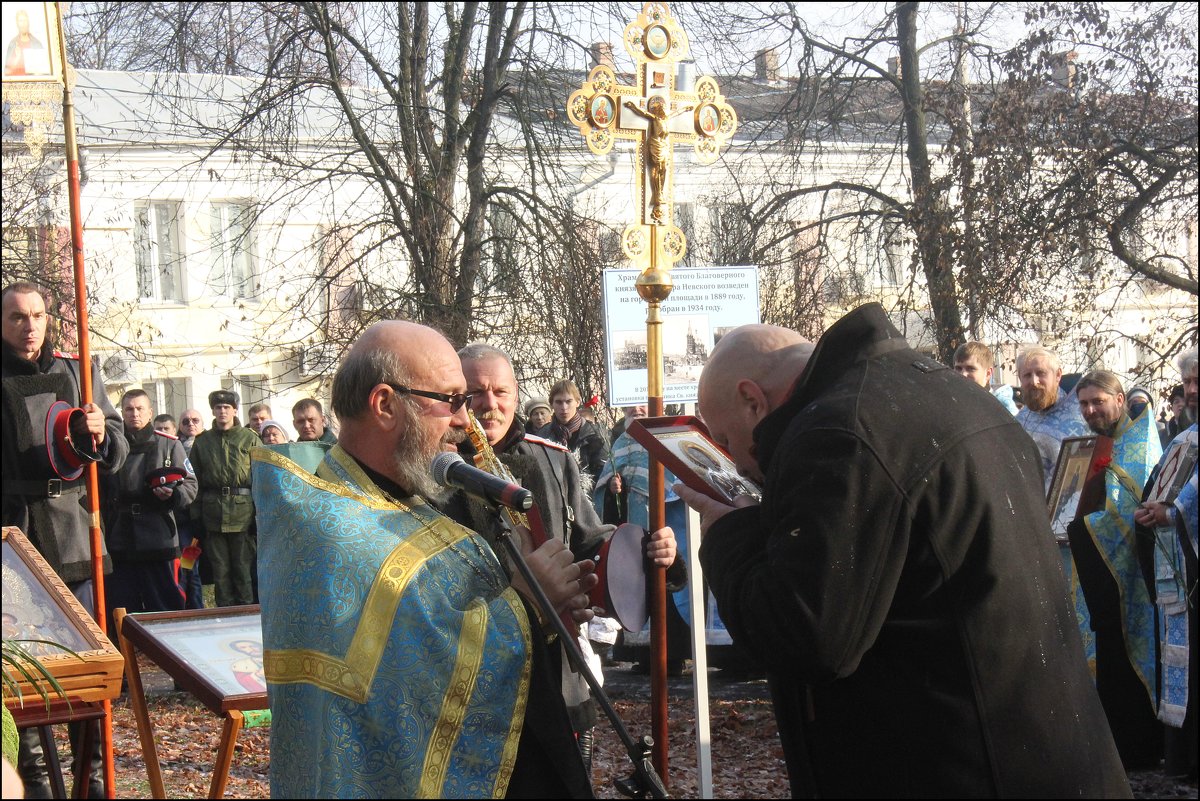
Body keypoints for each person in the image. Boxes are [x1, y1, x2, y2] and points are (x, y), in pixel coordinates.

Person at [674, 311, 1130, 797]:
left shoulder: (838, 432)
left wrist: (730, 534)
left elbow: (805, 636)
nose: (736, 460)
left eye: (724, 440)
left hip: (956, 766)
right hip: (1042, 755)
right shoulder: (947, 392)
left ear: (751, 400)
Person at [253, 320, 598, 798]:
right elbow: (409, 679)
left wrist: (543, 606)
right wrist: (525, 603)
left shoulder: (398, 502)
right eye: (452, 400)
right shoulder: (332, 530)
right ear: (385, 404)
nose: (465, 421)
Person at [456, 343, 681, 776]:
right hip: (472, 676)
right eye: (475, 393)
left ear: (517, 395)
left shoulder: (553, 460)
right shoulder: (432, 469)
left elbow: (592, 546)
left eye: (500, 391)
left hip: (559, 671)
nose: (488, 404)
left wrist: (652, 555)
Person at [1, 282, 129, 799]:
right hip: (15, 538)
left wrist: (101, 431)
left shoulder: (81, 371)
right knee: (21, 664)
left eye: (36, 315)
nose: (29, 326)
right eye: (15, 317)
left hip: (76, 533)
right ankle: (33, 780)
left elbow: (118, 449)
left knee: (87, 665)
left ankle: (90, 779)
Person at [1068, 370, 1163, 768]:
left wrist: (1077, 526)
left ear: (1119, 400)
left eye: (1098, 402)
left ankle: (1139, 750)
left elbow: (1128, 513)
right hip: (1101, 574)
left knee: (1128, 657)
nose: (1091, 410)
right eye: (1085, 404)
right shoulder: (1097, 444)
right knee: (1108, 655)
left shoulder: (1138, 444)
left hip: (1133, 576)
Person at [1135, 348, 1198, 780]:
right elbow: (1159, 484)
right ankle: (1185, 759)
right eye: (1189, 382)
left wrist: (1173, 513)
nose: (1192, 391)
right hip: (1181, 565)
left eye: (1199, 381)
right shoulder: (1183, 439)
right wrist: (1149, 508)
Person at [102, 389, 198, 628]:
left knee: (166, 606)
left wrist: (173, 495)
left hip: (159, 537)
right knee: (122, 608)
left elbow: (191, 484)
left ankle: (170, 659)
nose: (134, 414)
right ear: (122, 412)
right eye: (129, 409)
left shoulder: (168, 444)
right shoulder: (110, 445)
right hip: (120, 539)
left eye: (139, 409)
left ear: (150, 412)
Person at [189, 390, 258, 607]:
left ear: (235, 410)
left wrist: (259, 517)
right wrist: (196, 517)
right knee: (221, 573)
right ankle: (225, 616)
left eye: (226, 407)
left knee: (243, 571)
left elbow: (261, 479)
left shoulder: (250, 439)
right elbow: (195, 480)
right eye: (218, 408)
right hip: (213, 515)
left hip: (243, 516)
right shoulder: (203, 442)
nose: (222, 411)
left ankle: (246, 617)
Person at [1016, 346, 1089, 492]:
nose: (1034, 381)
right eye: (1027, 375)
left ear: (1058, 375)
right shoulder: (1020, 419)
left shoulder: (1081, 417)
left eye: (1041, 373)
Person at [622, 95, 693, 224]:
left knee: (663, 169)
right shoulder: (654, 118)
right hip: (654, 145)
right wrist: (633, 107)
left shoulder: (667, 118)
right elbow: (642, 112)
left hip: (664, 146)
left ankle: (660, 192)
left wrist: (685, 109)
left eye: (663, 109)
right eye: (660, 109)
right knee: (655, 169)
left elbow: (676, 113)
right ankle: (656, 195)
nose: (663, 110)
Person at [540, 379, 608, 489]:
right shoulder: (542, 435)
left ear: (577, 402)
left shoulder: (595, 435)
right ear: (551, 404)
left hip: (588, 500)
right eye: (558, 402)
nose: (564, 407)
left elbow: (603, 477)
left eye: (568, 401)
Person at [172, 409, 206, 608]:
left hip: (196, 523)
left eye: (195, 420)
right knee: (182, 569)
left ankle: (197, 609)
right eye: (185, 421)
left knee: (191, 568)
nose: (190, 424)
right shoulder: (175, 448)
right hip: (179, 521)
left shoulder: (208, 447)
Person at [953, 341, 1019, 414]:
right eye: (958, 368)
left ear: (988, 373)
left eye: (970, 369)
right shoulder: (950, 402)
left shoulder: (1003, 408)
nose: (963, 374)